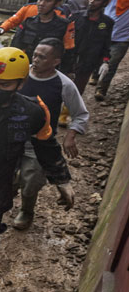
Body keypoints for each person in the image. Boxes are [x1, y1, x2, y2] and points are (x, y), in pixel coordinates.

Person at [0, 47, 74, 292]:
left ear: (20, 84)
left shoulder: (33, 112)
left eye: (5, 84)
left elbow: (46, 146)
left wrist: (62, 180)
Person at [15, 38, 88, 230]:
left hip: (39, 142)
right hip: (11, 136)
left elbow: (80, 114)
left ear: (56, 61)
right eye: (35, 55)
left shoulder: (63, 84)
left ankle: (27, 210)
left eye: (42, 57)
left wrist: (70, 135)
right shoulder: (20, 73)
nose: (36, 60)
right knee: (4, 176)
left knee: (31, 180)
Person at [10, 0, 76, 63]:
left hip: (48, 69)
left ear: (57, 3)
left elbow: (69, 52)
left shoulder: (65, 25)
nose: (41, 3)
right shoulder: (28, 22)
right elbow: (15, 46)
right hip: (25, 65)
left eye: (48, 0)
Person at [71, 0, 115, 94]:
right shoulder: (76, 17)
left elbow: (106, 44)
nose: (92, 1)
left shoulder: (107, 23)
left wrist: (105, 61)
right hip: (70, 62)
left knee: (77, 92)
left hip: (88, 64)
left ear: (105, 3)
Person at [95, 0, 129, 100]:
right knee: (97, 58)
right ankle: (95, 76)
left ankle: (101, 90)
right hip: (104, 34)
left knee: (112, 64)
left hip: (122, 39)